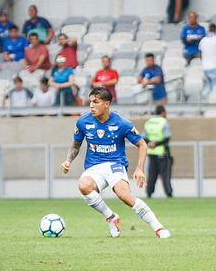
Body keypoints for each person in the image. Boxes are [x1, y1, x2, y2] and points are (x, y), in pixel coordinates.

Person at [60, 87, 170, 238]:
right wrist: (68, 160)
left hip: (115, 165)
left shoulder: (121, 123)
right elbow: (76, 145)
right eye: (90, 102)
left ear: (107, 104)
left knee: (124, 195)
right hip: (94, 167)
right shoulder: (83, 121)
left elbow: (142, 144)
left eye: (96, 102)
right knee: (84, 185)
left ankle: (158, 227)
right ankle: (111, 217)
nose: (91, 105)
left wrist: (139, 168)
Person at [142, 105, 173, 199]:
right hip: (162, 152)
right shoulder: (164, 122)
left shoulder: (149, 122)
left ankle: (149, 193)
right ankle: (169, 193)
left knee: (152, 174)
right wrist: (156, 144)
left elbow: (144, 137)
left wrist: (150, 143)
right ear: (163, 112)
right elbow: (167, 138)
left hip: (151, 153)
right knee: (165, 175)